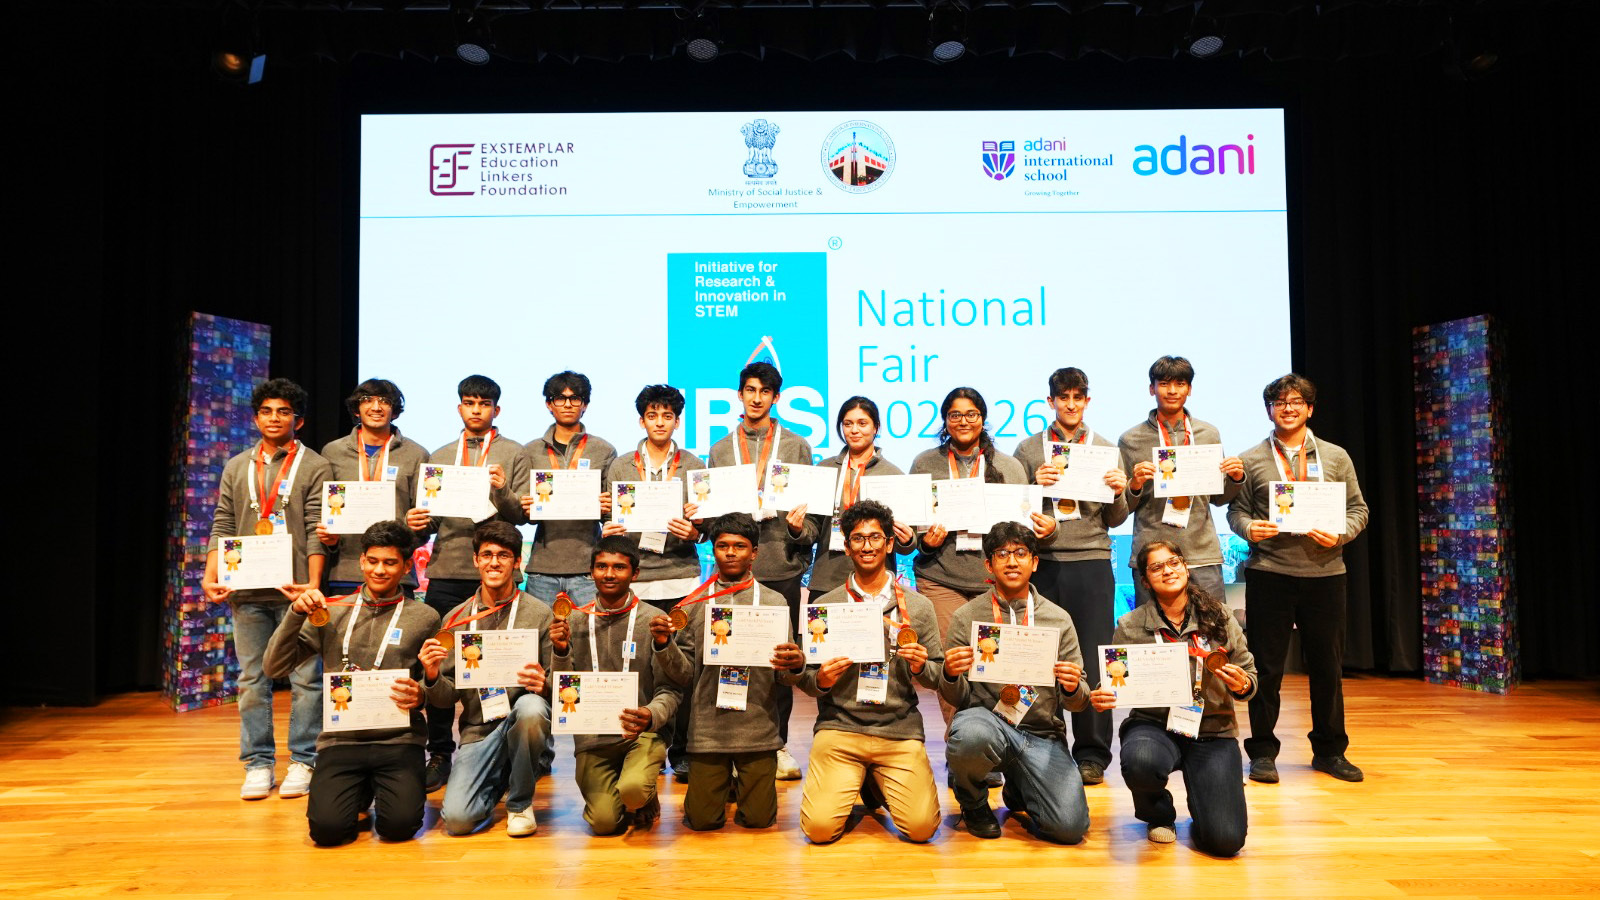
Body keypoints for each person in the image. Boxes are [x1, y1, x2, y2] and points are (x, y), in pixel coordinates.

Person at [1227, 374, 1370, 784]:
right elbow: (1235, 512)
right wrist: (1249, 528)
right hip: (1269, 573)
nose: (1287, 408)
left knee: (1327, 667)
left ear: (1310, 408)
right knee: (1266, 668)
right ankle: (1262, 752)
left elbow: (1358, 509)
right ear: (1269, 410)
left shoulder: (1335, 457)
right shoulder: (1252, 458)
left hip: (1326, 575)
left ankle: (1330, 750)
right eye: (1278, 402)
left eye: (1295, 402)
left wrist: (1341, 532)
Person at [264, 521, 441, 845]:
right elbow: (275, 667)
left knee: (398, 828)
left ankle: (373, 787)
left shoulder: (425, 616)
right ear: (361, 561)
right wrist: (294, 614)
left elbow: (438, 689)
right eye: (372, 561)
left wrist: (422, 694)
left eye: (390, 563)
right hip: (341, 741)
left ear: (405, 567)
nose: (380, 570)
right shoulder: (330, 612)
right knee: (327, 832)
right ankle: (360, 788)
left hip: (399, 740)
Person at [202, 377, 332, 801]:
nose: (275, 418)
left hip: (295, 591)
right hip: (247, 591)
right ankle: (258, 763)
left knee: (307, 678)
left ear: (299, 420)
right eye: (267, 411)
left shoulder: (314, 465)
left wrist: (312, 584)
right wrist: (211, 573)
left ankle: (303, 760)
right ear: (256, 417)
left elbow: (318, 527)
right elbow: (222, 523)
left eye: (284, 412)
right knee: (251, 679)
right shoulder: (237, 465)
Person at [788, 499, 943, 845]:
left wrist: (921, 666)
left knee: (921, 830)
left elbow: (940, 675)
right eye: (857, 539)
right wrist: (821, 680)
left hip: (898, 729)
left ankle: (872, 780)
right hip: (842, 728)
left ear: (889, 544)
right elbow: (806, 677)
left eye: (875, 538)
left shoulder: (918, 606)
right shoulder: (825, 606)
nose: (867, 546)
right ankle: (863, 778)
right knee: (819, 831)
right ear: (846, 547)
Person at [1091, 540, 1257, 855]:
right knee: (1141, 760)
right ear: (1145, 581)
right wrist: (1103, 693)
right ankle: (1159, 814)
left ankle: (1203, 800)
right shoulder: (1130, 625)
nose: (1168, 571)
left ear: (1185, 566)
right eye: (1156, 567)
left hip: (1212, 730)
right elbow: (1115, 677)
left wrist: (1242, 684)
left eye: (1174, 562)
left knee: (1225, 841)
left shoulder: (1218, 615)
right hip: (1154, 726)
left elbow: (1250, 675)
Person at [413, 374, 530, 793]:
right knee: (442, 663)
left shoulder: (515, 453)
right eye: (469, 402)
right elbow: (429, 522)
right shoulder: (441, 455)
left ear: (496, 410)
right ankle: (441, 751)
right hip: (447, 570)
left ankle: (518, 744)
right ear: (459, 408)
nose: (476, 409)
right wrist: (419, 520)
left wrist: (502, 491)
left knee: (505, 660)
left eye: (484, 403)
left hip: (497, 572)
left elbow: (522, 515)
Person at [1012, 367, 1129, 786]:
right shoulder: (1028, 450)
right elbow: (1018, 510)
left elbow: (1115, 518)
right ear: (1051, 402)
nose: (1072, 404)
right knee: (1042, 654)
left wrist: (1121, 491)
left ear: (1087, 401)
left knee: (1096, 655)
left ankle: (1094, 753)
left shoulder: (1105, 449)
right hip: (1045, 561)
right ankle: (1044, 741)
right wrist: (1034, 485)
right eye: (1064, 397)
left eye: (1079, 397)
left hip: (1093, 559)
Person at [910, 387, 1054, 727]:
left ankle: (998, 736)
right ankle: (959, 739)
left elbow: (1024, 531)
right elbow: (916, 529)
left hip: (994, 582)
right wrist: (926, 541)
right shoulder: (925, 463)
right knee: (954, 663)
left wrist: (1050, 530)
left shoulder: (1009, 465)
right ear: (945, 420)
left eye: (971, 414)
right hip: (940, 577)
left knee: (996, 664)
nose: (963, 421)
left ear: (983, 418)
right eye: (955, 415)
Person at [939, 522, 1091, 844]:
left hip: (1041, 735)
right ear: (988, 564)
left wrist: (1071, 686)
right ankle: (974, 803)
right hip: (987, 725)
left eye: (1021, 553)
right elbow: (956, 695)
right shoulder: (968, 617)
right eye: (1002, 554)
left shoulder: (1058, 619)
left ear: (1035, 563)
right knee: (970, 733)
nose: (1012, 561)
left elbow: (1080, 701)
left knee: (1069, 828)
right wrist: (950, 674)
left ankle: (1020, 789)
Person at [706, 361, 816, 780]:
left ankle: (780, 744)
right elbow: (714, 514)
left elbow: (811, 518)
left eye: (764, 391)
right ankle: (734, 743)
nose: (756, 398)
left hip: (780, 566)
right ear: (740, 395)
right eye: (749, 390)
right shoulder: (720, 449)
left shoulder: (797, 446)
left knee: (780, 661)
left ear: (776, 398)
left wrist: (797, 531)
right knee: (730, 654)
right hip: (732, 570)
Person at [672, 513, 805, 831]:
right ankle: (719, 781)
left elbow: (784, 678)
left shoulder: (774, 603)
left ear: (754, 553)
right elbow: (684, 674)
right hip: (709, 731)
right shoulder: (693, 604)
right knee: (703, 821)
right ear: (713, 550)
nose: (730, 552)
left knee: (759, 821)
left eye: (739, 546)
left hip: (756, 729)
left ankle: (737, 780)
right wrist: (665, 645)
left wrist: (796, 666)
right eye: (722, 546)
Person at [601, 384, 706, 782]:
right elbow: (611, 523)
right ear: (642, 419)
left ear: (677, 421)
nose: (659, 422)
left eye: (667, 416)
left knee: (682, 667)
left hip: (681, 578)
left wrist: (696, 531)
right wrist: (608, 529)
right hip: (638, 580)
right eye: (652, 415)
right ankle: (644, 744)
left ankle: (681, 749)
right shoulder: (622, 466)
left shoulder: (693, 463)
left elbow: (707, 528)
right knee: (642, 666)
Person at [551, 535, 691, 834]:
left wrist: (652, 715)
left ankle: (643, 794)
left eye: (619, 567)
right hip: (593, 736)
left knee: (633, 791)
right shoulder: (573, 621)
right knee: (603, 824)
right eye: (601, 567)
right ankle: (625, 790)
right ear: (591, 572)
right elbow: (561, 688)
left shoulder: (654, 619)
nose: (609, 574)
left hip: (641, 732)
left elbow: (673, 686)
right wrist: (561, 651)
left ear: (635, 574)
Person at [424, 521, 554, 837]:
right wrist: (430, 676)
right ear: (476, 560)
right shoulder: (455, 619)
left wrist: (545, 683)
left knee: (532, 708)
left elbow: (559, 687)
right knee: (457, 820)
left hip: (522, 720)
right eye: (487, 554)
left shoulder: (539, 613)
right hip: (479, 728)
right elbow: (445, 697)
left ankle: (520, 803)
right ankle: (507, 774)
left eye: (503, 555)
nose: (494, 562)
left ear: (517, 562)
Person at [1119, 356, 1245, 606]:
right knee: (1155, 635)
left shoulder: (1208, 433)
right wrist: (1134, 485)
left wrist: (1236, 478)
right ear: (1151, 389)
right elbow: (1120, 509)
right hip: (1152, 554)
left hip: (1202, 552)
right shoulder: (1131, 439)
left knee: (1212, 634)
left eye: (1180, 383)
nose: (1172, 391)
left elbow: (1218, 498)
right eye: (1164, 384)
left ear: (1189, 389)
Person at [786, 396, 917, 597]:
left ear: (876, 428)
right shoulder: (825, 469)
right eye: (848, 424)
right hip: (827, 579)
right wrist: (797, 529)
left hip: (876, 585)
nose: (854, 430)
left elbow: (903, 544)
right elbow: (813, 527)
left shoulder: (893, 474)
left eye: (862, 423)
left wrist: (907, 541)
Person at [316, 378, 428, 595]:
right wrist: (329, 538)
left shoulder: (416, 454)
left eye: (385, 401)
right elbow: (320, 510)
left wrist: (416, 526)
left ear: (394, 411)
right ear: (356, 409)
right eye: (367, 400)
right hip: (344, 572)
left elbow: (427, 523)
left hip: (397, 574)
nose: (376, 407)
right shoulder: (332, 452)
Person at [520, 371, 618, 608]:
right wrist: (523, 507)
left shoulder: (603, 450)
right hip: (542, 569)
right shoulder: (531, 451)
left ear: (584, 405)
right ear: (549, 404)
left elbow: (612, 515)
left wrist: (608, 508)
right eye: (559, 398)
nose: (567, 404)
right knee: (542, 639)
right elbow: (522, 515)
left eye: (575, 398)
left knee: (588, 637)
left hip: (588, 569)